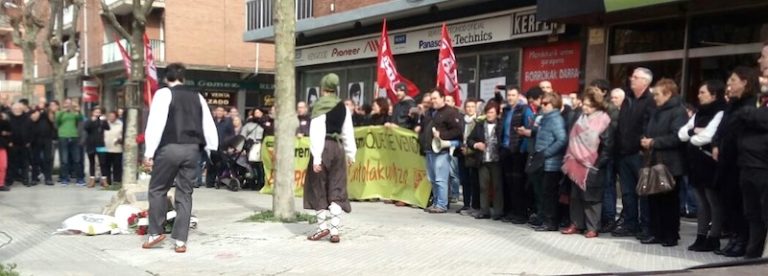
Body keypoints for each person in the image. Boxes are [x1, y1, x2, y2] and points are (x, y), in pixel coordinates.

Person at [141, 63, 218, 253]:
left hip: (170, 147)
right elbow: (208, 124)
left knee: (158, 189)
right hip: (192, 150)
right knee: (185, 193)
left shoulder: (163, 94)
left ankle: (155, 232)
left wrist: (149, 152)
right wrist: (211, 148)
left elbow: (156, 124)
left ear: (167, 78)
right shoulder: (197, 96)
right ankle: (181, 241)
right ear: (184, 78)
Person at [304, 73, 356, 243]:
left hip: (324, 147)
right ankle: (335, 231)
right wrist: (351, 153)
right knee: (337, 187)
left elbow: (316, 132)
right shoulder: (343, 107)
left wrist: (317, 158)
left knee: (317, 186)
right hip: (338, 149)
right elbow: (348, 131)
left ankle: (322, 228)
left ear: (322, 87)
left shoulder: (320, 106)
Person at [711, 67, 756, 257]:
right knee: (728, 202)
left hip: (741, 161)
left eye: (733, 81)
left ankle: (742, 240)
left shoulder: (751, 104)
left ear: (745, 82)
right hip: (726, 161)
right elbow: (722, 128)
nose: (729, 85)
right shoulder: (732, 105)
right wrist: (715, 144)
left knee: (741, 204)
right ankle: (734, 238)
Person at [638, 78, 687, 247]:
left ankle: (670, 234)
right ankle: (656, 233)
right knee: (654, 200)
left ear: (668, 94)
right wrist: (645, 139)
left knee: (669, 201)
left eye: (657, 94)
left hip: (670, 164)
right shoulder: (656, 111)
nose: (655, 98)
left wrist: (653, 142)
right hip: (653, 161)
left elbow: (677, 137)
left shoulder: (678, 112)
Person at [678, 80, 726, 252]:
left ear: (714, 95)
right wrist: (693, 132)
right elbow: (682, 133)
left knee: (713, 201)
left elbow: (707, 136)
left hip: (709, 163)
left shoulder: (720, 112)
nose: (699, 95)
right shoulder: (698, 113)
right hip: (696, 163)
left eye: (702, 92)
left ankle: (714, 237)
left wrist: (693, 135)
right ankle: (701, 236)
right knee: (700, 202)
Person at [561, 87, 614, 238]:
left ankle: (592, 227)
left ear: (597, 105)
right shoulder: (579, 117)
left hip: (593, 164)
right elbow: (572, 138)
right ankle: (576, 224)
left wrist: (597, 165)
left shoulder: (604, 120)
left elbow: (607, 145)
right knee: (575, 196)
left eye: (588, 105)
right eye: (584, 103)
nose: (584, 107)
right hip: (576, 162)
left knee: (592, 197)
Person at [728, 66, 768, 259]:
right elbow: (734, 121)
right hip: (747, 164)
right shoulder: (758, 98)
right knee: (752, 214)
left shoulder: (753, 103)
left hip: (763, 165)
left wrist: (748, 115)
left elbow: (757, 117)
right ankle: (752, 256)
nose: (761, 63)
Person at [612, 67, 655, 239]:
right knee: (627, 193)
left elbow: (649, 126)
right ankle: (631, 223)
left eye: (636, 77)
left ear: (645, 81)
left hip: (640, 154)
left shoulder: (651, 101)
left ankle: (647, 226)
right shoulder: (628, 99)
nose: (632, 79)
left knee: (643, 192)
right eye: (632, 76)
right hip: (623, 153)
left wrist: (641, 145)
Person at [496, 87, 535, 224]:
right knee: (508, 183)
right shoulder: (506, 110)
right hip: (506, 150)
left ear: (518, 96)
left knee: (518, 184)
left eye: (513, 95)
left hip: (518, 151)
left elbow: (529, 129)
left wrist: (522, 149)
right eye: (509, 95)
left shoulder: (524, 109)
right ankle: (511, 211)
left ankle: (521, 213)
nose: (510, 97)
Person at [530, 92, 568, 231]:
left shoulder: (555, 119)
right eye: (542, 103)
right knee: (544, 192)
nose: (543, 105)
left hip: (552, 163)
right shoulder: (545, 118)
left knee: (550, 194)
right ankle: (545, 218)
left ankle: (551, 222)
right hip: (543, 162)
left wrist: (546, 153)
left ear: (554, 104)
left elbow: (562, 139)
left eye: (546, 103)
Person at [420, 89, 462, 213]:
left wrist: (442, 135)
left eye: (435, 98)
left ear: (443, 98)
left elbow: (457, 131)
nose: (433, 101)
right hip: (429, 150)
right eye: (432, 99)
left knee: (440, 179)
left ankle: (442, 204)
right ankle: (436, 202)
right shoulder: (431, 112)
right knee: (432, 179)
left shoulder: (450, 113)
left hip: (441, 151)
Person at [467, 101, 503, 219]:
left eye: (492, 112)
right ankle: (484, 210)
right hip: (483, 160)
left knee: (497, 186)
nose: (489, 115)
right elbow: (469, 140)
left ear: (497, 113)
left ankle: (498, 211)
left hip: (496, 160)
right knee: (483, 186)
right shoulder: (480, 125)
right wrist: (476, 145)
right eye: (487, 112)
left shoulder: (501, 125)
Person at [56, 98, 86, 186]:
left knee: (77, 159)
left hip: (74, 136)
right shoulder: (59, 112)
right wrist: (63, 111)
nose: (68, 105)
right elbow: (57, 121)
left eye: (70, 103)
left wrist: (79, 111)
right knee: (64, 160)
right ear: (64, 104)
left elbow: (80, 119)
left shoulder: (74, 113)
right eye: (66, 103)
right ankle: (65, 178)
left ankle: (80, 179)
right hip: (63, 136)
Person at [458, 98, 481, 215]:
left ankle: (474, 205)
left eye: (472, 106)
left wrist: (470, 150)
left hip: (474, 155)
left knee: (474, 181)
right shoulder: (461, 121)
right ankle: (466, 204)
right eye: (468, 107)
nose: (470, 109)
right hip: (462, 154)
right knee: (464, 180)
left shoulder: (479, 121)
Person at [83, 107, 110, 188]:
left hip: (101, 144)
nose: (97, 113)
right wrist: (92, 120)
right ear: (92, 112)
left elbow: (107, 128)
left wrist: (104, 120)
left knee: (103, 163)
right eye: (96, 112)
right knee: (92, 163)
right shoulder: (89, 120)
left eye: (99, 112)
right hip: (91, 144)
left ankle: (104, 180)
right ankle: (92, 180)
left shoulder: (102, 121)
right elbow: (86, 128)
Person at [6, 103, 32, 186]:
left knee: (25, 162)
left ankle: (25, 179)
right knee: (11, 163)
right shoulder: (8, 118)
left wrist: (29, 141)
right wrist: (8, 141)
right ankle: (9, 180)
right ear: (12, 109)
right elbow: (5, 130)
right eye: (15, 108)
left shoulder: (27, 118)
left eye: (18, 108)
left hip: (24, 144)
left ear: (22, 109)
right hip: (12, 144)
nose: (16, 110)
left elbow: (31, 130)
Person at [241, 108, 266, 191]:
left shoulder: (265, 124)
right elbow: (243, 135)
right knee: (251, 164)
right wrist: (242, 147)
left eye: (259, 112)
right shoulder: (248, 124)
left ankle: (261, 182)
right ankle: (251, 182)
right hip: (250, 145)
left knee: (260, 165)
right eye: (256, 112)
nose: (257, 114)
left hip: (261, 144)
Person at [29, 108, 56, 186]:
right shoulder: (35, 111)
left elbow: (52, 120)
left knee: (47, 159)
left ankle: (48, 178)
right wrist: (39, 112)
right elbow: (34, 119)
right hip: (36, 139)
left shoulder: (48, 112)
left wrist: (47, 112)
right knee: (35, 159)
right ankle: (34, 178)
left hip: (47, 139)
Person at [104, 111, 124, 186]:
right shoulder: (105, 123)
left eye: (113, 116)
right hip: (106, 148)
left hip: (117, 148)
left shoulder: (120, 124)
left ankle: (117, 181)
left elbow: (123, 134)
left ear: (116, 117)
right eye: (110, 116)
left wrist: (119, 139)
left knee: (117, 166)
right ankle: (107, 181)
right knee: (106, 166)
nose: (111, 118)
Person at [0, 112, 9, 191]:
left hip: (2, 147)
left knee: (3, 166)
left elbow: (10, 132)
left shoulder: (4, 122)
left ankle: (1, 184)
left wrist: (6, 133)